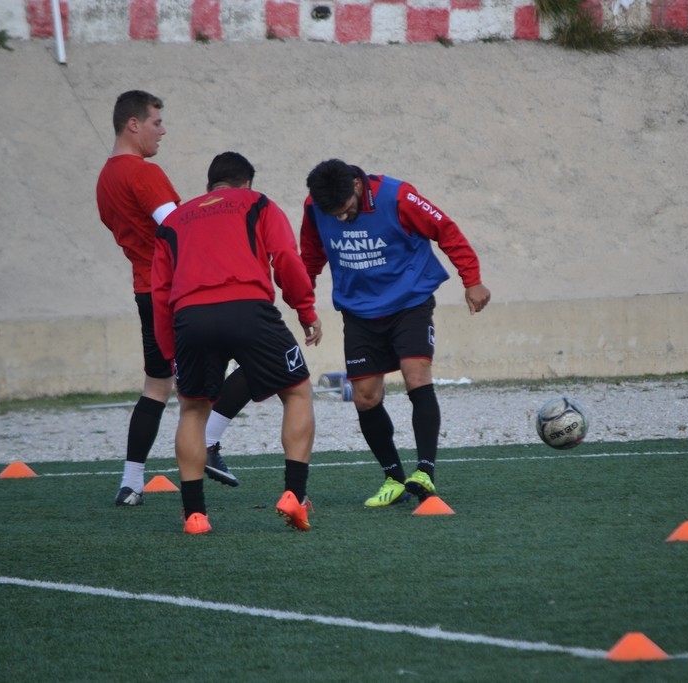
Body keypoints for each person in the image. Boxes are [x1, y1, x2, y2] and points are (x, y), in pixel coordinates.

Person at [301, 159, 491, 507]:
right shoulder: (314, 206)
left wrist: (472, 279)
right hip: (358, 311)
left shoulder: (398, 196)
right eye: (334, 215)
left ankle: (425, 473)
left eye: (346, 210)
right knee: (365, 397)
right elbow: (311, 256)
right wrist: (304, 305)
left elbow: (446, 230)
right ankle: (393, 478)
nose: (341, 219)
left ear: (357, 186)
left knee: (415, 374)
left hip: (409, 302)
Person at [152, 152, 322, 534]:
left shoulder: (173, 221)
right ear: (246, 184)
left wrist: (170, 353)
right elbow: (286, 258)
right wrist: (305, 310)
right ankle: (294, 496)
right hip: (248, 309)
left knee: (192, 410)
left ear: (208, 186)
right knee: (296, 391)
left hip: (190, 318)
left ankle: (195, 515)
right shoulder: (257, 202)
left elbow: (160, 292)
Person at [95, 90, 250, 506]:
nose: (162, 131)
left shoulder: (105, 178)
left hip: (145, 290)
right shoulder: (143, 173)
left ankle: (131, 482)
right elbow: (177, 227)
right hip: (177, 291)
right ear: (133, 124)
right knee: (260, 359)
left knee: (156, 385)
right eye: (156, 122)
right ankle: (210, 445)